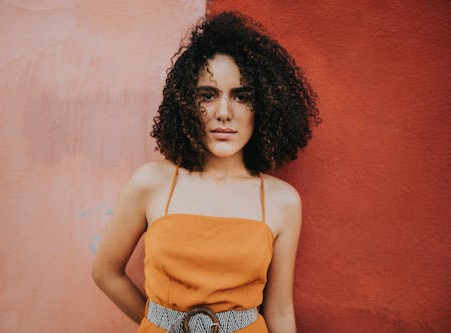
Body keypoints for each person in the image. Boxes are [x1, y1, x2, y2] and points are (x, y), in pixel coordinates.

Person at [92, 11, 321, 333]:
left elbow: (280, 310)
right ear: (186, 104)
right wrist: (161, 323)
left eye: (242, 97)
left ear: (265, 108)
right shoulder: (151, 183)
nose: (224, 113)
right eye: (208, 95)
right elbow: (106, 272)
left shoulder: (282, 200)